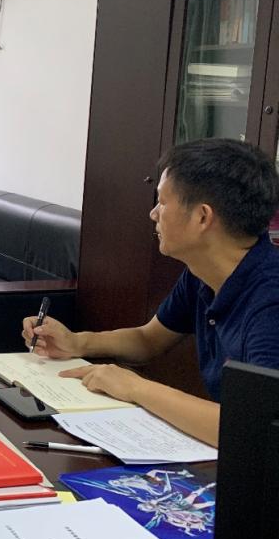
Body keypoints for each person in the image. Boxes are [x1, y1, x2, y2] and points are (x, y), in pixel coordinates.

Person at [23, 138, 279, 446]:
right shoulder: (202, 274)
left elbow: (253, 428)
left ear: (202, 217)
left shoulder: (270, 301)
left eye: (163, 202)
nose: (153, 214)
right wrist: (77, 342)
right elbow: (148, 340)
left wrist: (136, 388)